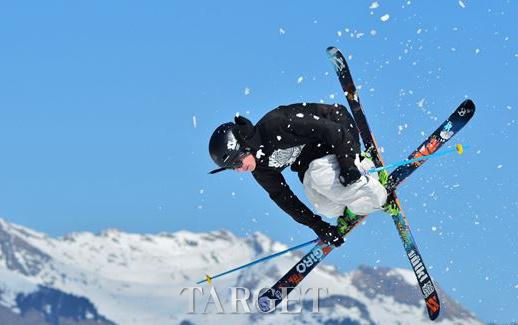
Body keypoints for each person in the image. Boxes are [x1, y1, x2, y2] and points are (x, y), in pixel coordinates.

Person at [208, 103, 387, 247]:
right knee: (322, 204)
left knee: (320, 174)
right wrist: (318, 226)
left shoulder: (276, 125)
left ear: (244, 146)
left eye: (237, 163)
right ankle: (352, 205)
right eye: (232, 168)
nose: (239, 170)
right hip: (312, 158)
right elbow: (284, 198)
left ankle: (376, 189)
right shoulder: (260, 170)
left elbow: (332, 131)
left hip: (339, 135)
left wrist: (348, 164)